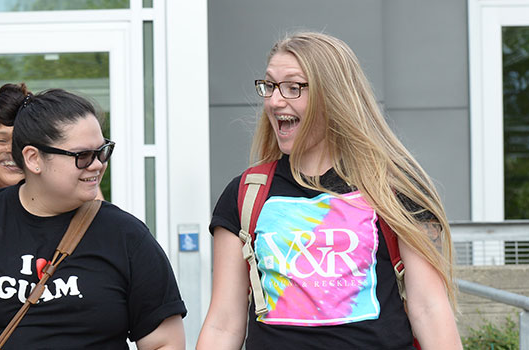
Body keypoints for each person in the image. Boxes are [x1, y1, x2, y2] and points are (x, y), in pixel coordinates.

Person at [197, 32, 461, 349]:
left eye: (293, 88)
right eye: (270, 86)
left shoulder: (394, 188)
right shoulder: (245, 194)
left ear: (332, 95)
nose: (275, 101)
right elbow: (223, 323)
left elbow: (430, 309)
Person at [0, 83, 186, 349]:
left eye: (103, 152)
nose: (97, 165)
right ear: (33, 158)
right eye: (82, 156)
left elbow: (164, 341)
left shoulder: (126, 236)